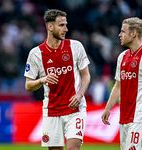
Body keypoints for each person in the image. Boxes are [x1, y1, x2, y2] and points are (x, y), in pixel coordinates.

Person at [24, 9, 91, 150]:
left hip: (75, 108)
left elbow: (86, 75)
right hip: (51, 110)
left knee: (73, 148)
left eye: (66, 25)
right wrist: (42, 80)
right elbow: (28, 85)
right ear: (50, 27)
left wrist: (79, 94)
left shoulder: (75, 46)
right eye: (61, 25)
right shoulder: (36, 54)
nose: (66, 29)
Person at [101, 17, 142, 150]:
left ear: (133, 33)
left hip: (141, 118)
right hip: (124, 118)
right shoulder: (122, 56)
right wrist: (108, 108)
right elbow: (118, 86)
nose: (120, 35)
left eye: (123, 31)